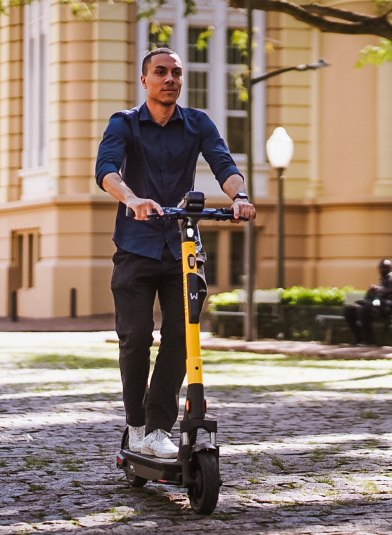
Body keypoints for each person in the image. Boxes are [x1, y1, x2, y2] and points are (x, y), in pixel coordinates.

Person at [95, 48, 255, 458]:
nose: (170, 79)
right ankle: (135, 426)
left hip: (182, 247)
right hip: (135, 248)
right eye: (161, 72)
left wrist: (240, 197)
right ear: (145, 80)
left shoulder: (197, 123)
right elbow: (106, 170)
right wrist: (132, 198)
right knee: (135, 338)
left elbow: (224, 164)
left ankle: (158, 428)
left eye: (176, 73)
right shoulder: (124, 123)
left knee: (183, 338)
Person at [343, 259, 392, 345]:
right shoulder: (382, 279)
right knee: (348, 310)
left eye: (385, 268)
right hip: (375, 306)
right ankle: (359, 338)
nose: (382, 270)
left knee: (362, 310)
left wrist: (387, 290)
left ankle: (369, 341)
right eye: (381, 268)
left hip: (386, 308)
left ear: (390, 268)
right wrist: (375, 289)